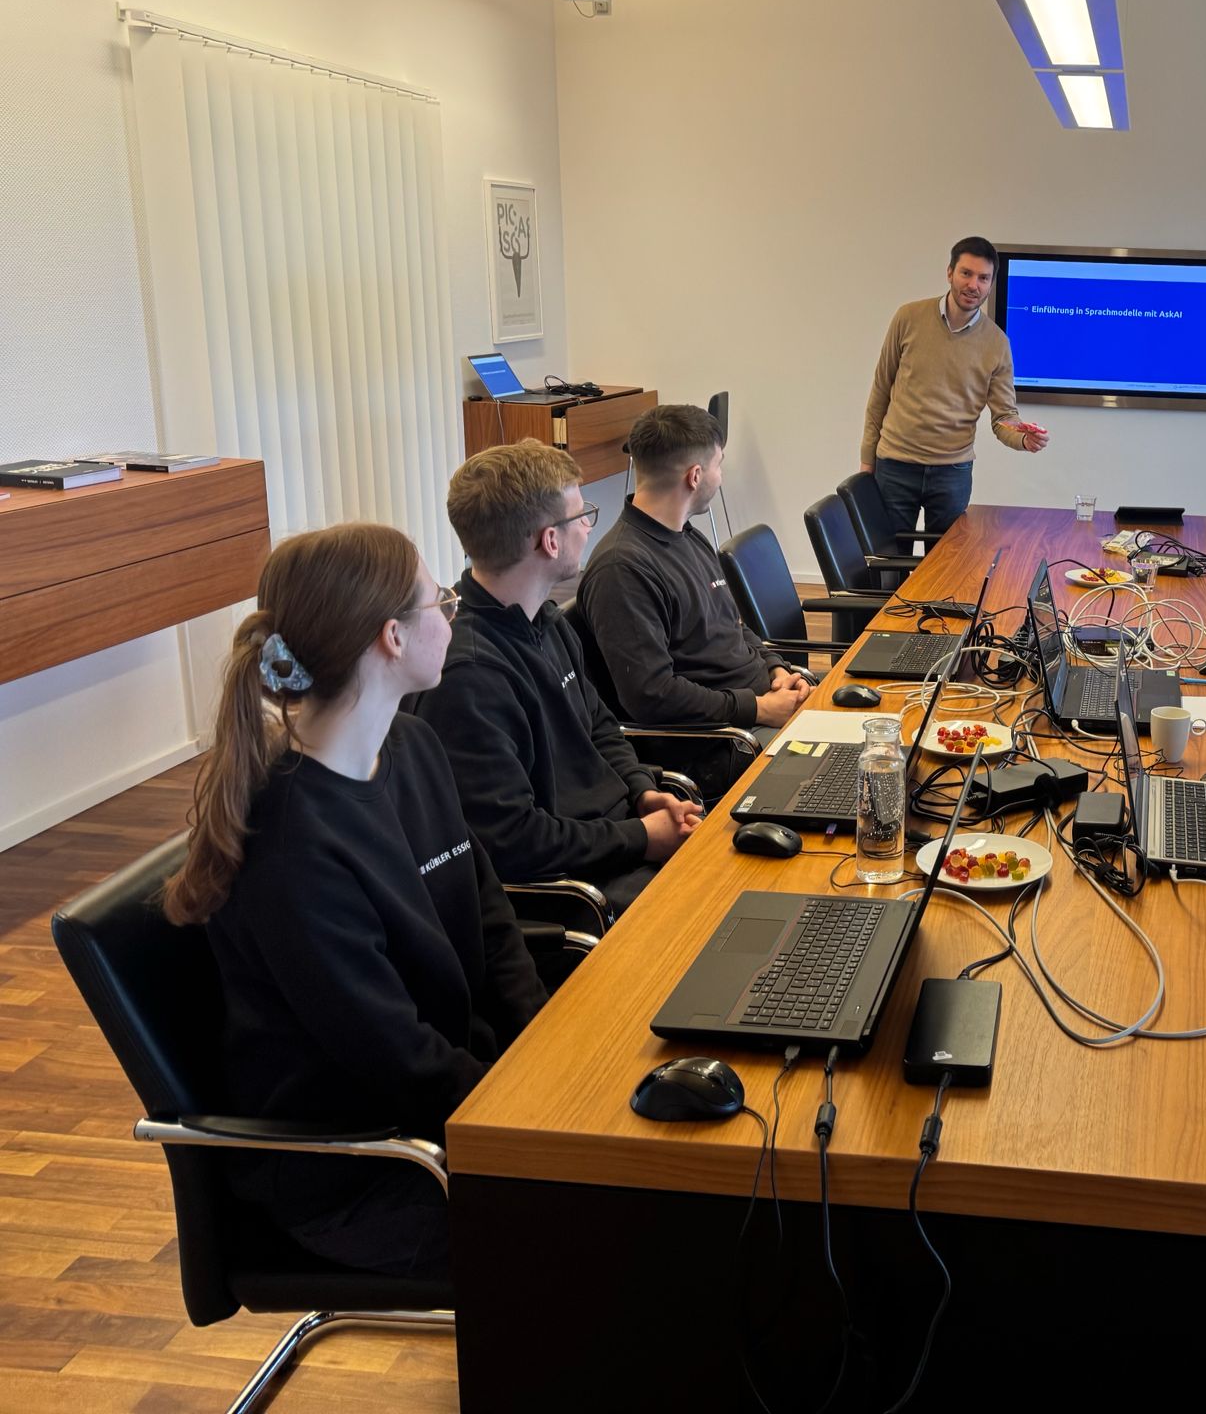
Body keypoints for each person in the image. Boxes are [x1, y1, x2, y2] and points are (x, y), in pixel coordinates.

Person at [162, 522, 548, 1280]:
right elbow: (396, 1059)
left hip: (446, 1106)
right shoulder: (292, 848)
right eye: (439, 600)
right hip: (366, 1167)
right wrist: (533, 1118)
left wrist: (545, 1047)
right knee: (618, 1218)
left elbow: (488, 915)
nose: (453, 613)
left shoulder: (413, 747)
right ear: (392, 638)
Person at [409, 440, 702, 915]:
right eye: (581, 515)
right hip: (580, 889)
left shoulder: (547, 620)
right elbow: (516, 840)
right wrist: (641, 837)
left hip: (617, 843)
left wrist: (643, 792)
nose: (588, 526)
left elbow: (600, 726)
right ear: (550, 541)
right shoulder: (469, 678)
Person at [578, 403, 811, 803]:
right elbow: (652, 695)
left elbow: (733, 626)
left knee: (873, 739)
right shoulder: (622, 569)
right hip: (715, 745)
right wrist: (757, 708)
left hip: (754, 713)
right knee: (857, 771)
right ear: (696, 475)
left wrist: (776, 669)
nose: (721, 477)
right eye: (719, 465)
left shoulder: (687, 535)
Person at [859, 235, 1050, 535]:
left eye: (983, 278)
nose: (974, 285)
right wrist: (866, 459)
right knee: (888, 560)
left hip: (952, 473)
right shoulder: (908, 318)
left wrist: (1024, 439)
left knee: (947, 562)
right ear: (950, 273)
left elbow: (1003, 418)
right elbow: (881, 391)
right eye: (966, 273)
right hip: (895, 465)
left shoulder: (997, 343)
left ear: (991, 284)